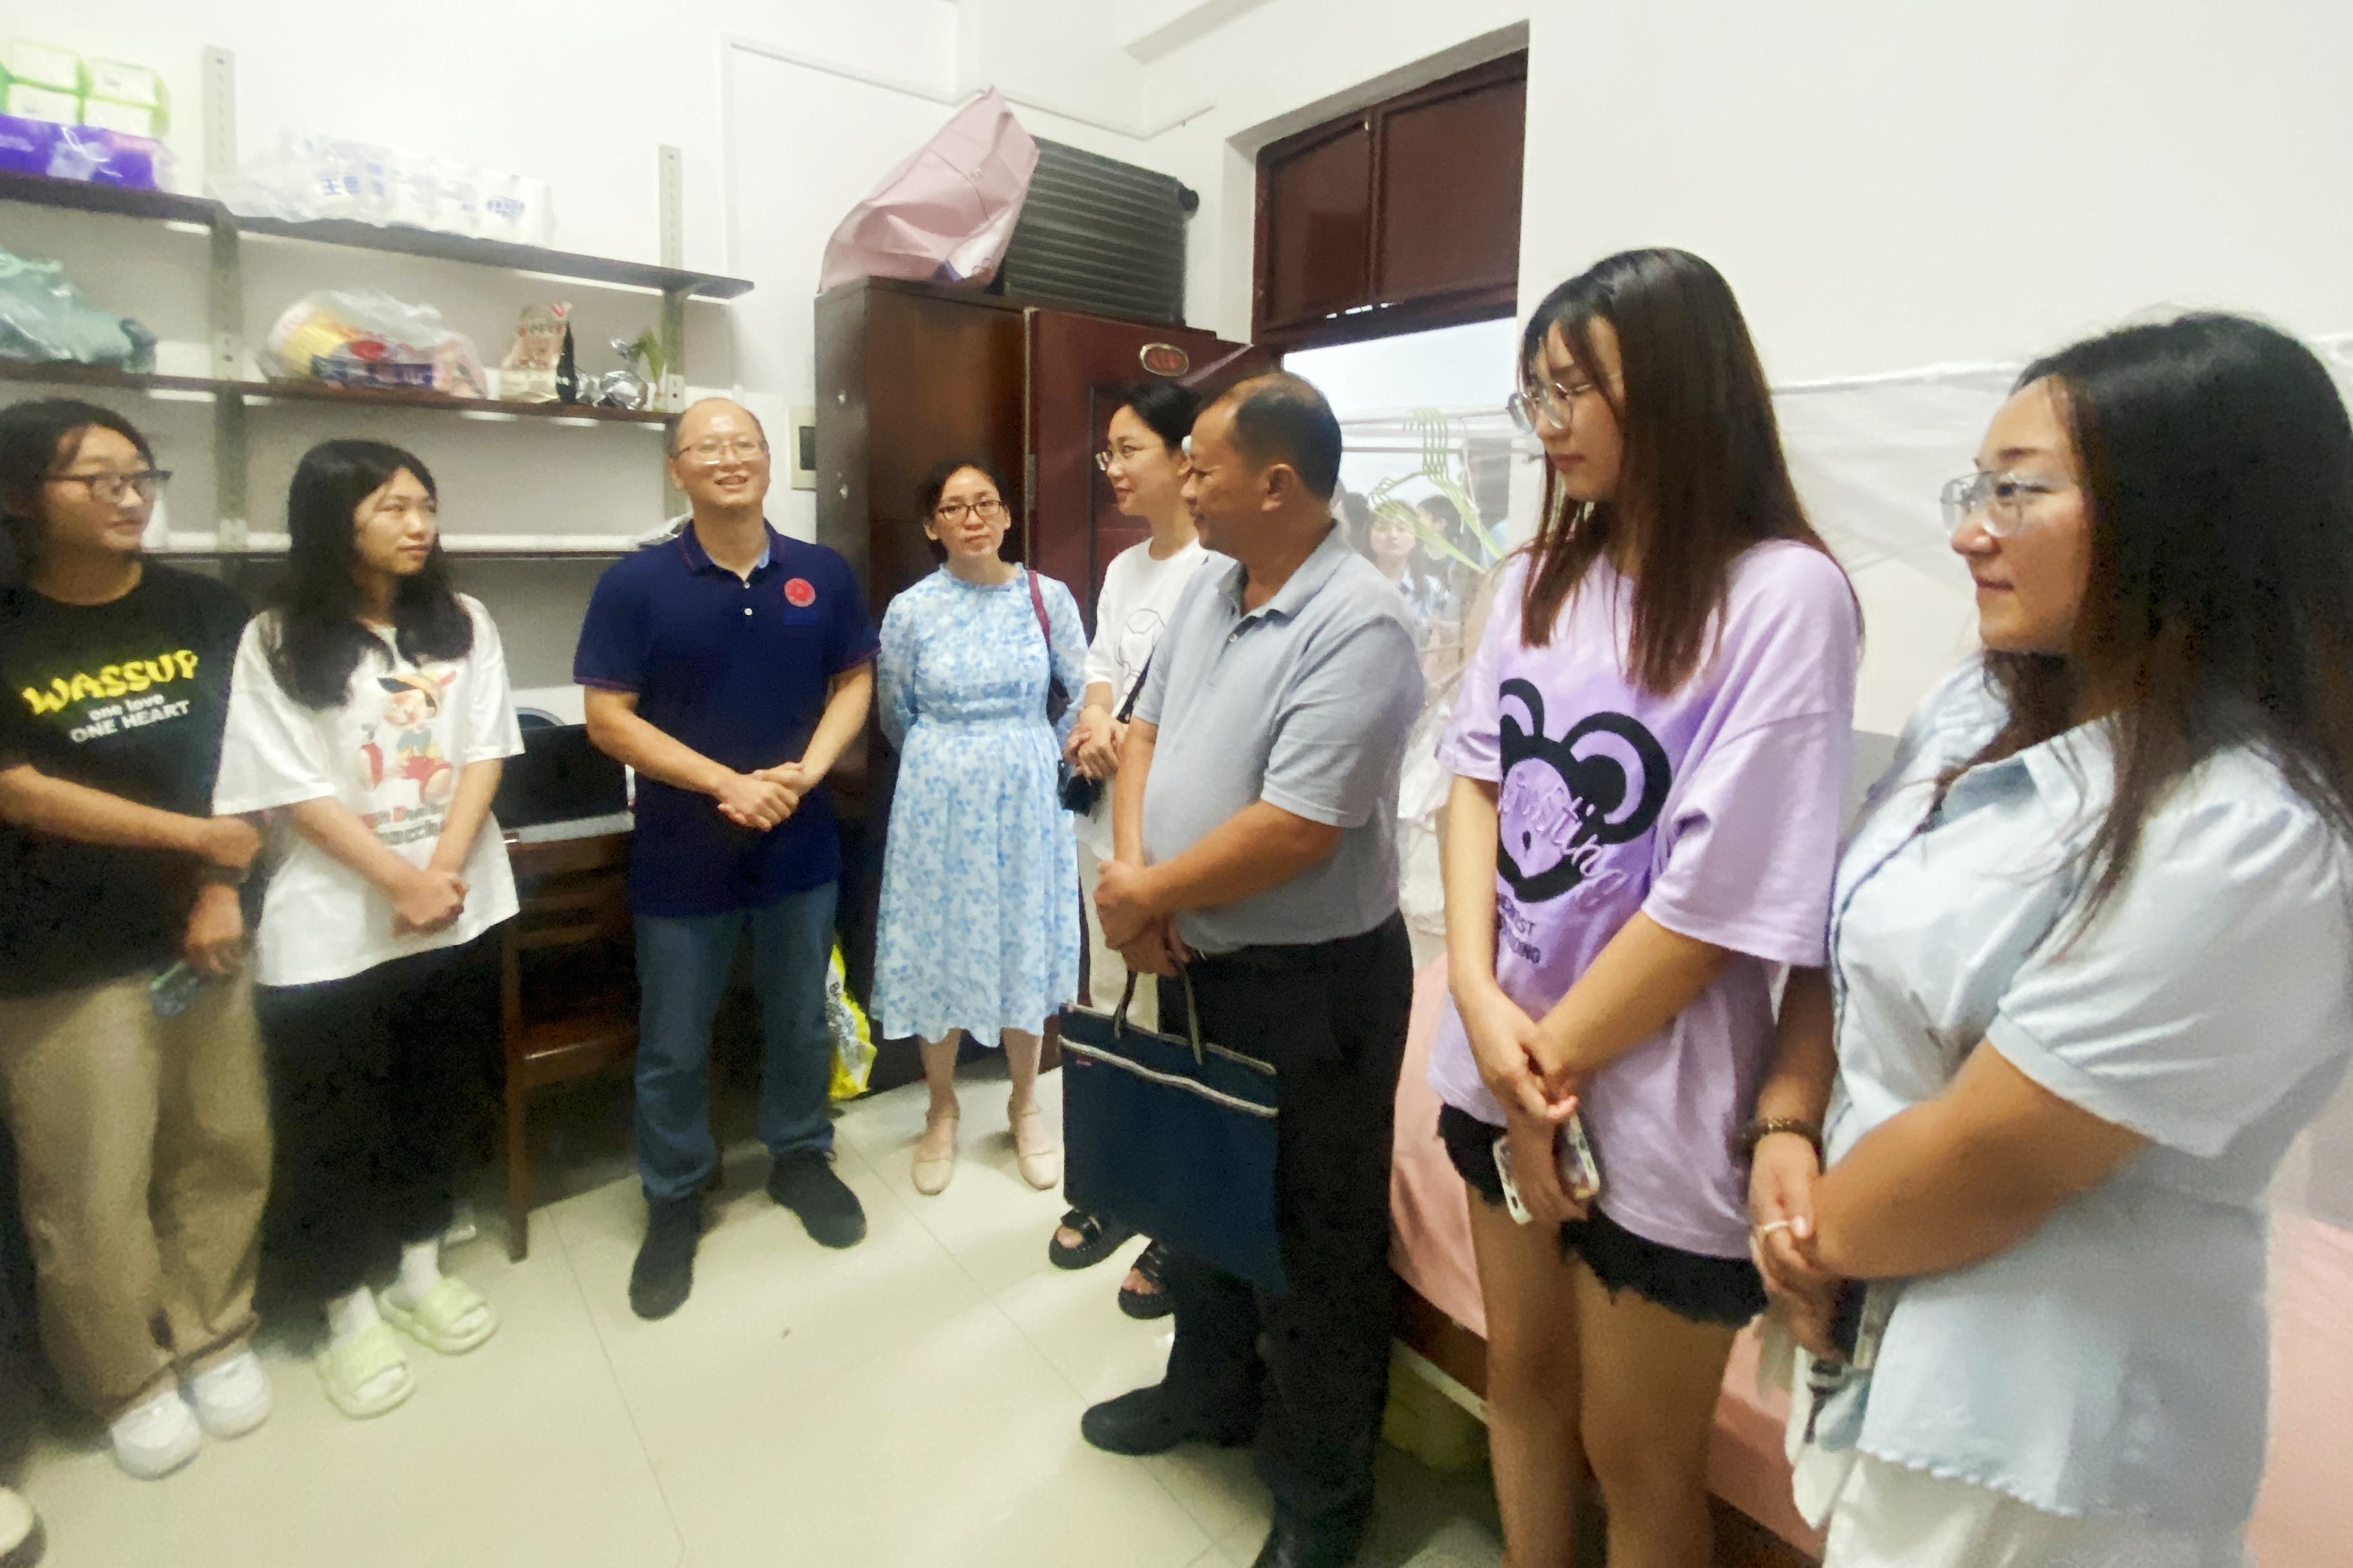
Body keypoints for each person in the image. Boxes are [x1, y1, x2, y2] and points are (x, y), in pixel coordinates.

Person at [1750, 313, 2353, 1568]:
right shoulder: (1982, 701)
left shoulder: (2250, 836)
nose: (1967, 530)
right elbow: (1844, 927)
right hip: (1869, 1310)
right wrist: (1782, 1126)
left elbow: (1989, 1153)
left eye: (2015, 492)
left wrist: (1801, 1239)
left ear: (2179, 516)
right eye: (1971, 488)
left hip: (2032, 1422)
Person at [1434, 249, 1860, 1568]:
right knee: (1520, 1380)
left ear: (1679, 387)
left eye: (1574, 390)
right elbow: (1470, 783)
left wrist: (1539, 1075)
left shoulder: (1781, 596)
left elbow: (1715, 903)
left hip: (1653, 1098)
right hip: (1497, 1050)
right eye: (1535, 394)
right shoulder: (1534, 577)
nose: (1547, 424)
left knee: (1638, 1457)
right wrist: (1473, 995)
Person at [1082, 373, 1424, 1568]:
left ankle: (1322, 1504)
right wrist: (1137, 883)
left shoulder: (1361, 623)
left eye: (1202, 467)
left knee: (1318, 1245)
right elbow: (1142, 732)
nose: (1183, 482)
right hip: (1194, 954)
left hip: (1312, 985)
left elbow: (1297, 826)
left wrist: (1150, 896)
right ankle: (1207, 1394)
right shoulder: (1210, 587)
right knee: (1199, 1202)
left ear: (1276, 483)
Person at [214, 439, 521, 1420]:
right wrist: (398, 877)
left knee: (436, 1089)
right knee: (329, 1116)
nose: (417, 524)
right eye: (391, 507)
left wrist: (438, 875)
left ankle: (420, 1268)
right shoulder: (273, 639)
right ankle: (345, 1308)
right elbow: (290, 785)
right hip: (331, 922)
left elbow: (483, 750)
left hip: (454, 905)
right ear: (329, 520)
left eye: (425, 505)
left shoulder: (462, 621)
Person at [0, 401, 271, 1478]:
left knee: (220, 1140)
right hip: (58, 945)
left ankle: (215, 1329)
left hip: (207, 922)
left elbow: (250, 753)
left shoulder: (207, 609)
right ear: (23, 495)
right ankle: (126, 1377)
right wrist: (199, 840)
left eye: (140, 475)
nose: (127, 497)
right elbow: (19, 789)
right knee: (87, 1179)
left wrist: (218, 881)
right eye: (95, 478)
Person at [575, 399, 877, 1321]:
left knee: (799, 1016)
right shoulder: (635, 583)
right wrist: (726, 783)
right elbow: (607, 718)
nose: (729, 457)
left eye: (744, 443)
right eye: (707, 447)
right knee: (673, 1038)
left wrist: (807, 772)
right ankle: (673, 1194)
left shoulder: (820, 572)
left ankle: (800, 1154)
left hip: (799, 840)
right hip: (683, 850)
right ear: (677, 470)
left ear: (768, 461)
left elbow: (854, 678)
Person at [873, 458, 1085, 1196]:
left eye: (985, 503)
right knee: (938, 942)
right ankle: (940, 1106)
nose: (973, 518)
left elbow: (1081, 692)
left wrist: (1033, 749)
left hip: (1027, 790)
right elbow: (894, 709)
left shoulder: (1046, 597)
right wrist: (950, 756)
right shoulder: (910, 610)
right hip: (936, 796)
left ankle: (1025, 1102)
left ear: (1006, 515)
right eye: (954, 507)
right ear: (931, 525)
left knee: (1022, 935)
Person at [1049, 381, 1216, 1313]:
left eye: (1127, 449)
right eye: (1107, 451)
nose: (1110, 467)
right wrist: (1094, 719)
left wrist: (1129, 730)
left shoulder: (1219, 568)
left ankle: (1177, 1211)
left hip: (1171, 833)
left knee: (1171, 1014)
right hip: (1101, 820)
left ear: (1185, 457)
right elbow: (1101, 666)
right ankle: (1118, 1182)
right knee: (1111, 996)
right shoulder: (1122, 568)